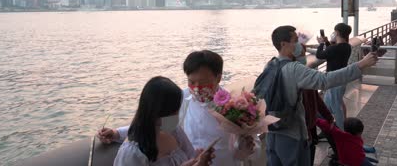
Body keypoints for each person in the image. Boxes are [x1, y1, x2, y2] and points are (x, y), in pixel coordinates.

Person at [100, 50, 260, 166]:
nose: (197, 88)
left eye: (203, 82)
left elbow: (246, 151)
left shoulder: (236, 107)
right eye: (192, 82)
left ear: (218, 77)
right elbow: (158, 125)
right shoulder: (180, 99)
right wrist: (117, 133)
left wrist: (246, 147)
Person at [262, 25, 377, 166]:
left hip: (272, 131)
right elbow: (325, 80)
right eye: (295, 40)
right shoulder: (294, 69)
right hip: (292, 134)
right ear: (283, 44)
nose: (299, 44)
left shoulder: (269, 65)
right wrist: (360, 65)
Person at [113, 76, 214, 166]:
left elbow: (190, 155)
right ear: (161, 111)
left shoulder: (172, 128)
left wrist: (199, 160)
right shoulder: (132, 153)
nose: (177, 115)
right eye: (175, 110)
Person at [316, 23, 353, 130]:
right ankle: (331, 127)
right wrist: (326, 42)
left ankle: (342, 131)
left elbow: (320, 55)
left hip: (333, 80)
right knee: (335, 104)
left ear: (337, 32)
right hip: (342, 79)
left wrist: (321, 44)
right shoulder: (347, 46)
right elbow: (331, 52)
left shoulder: (335, 49)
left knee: (336, 107)